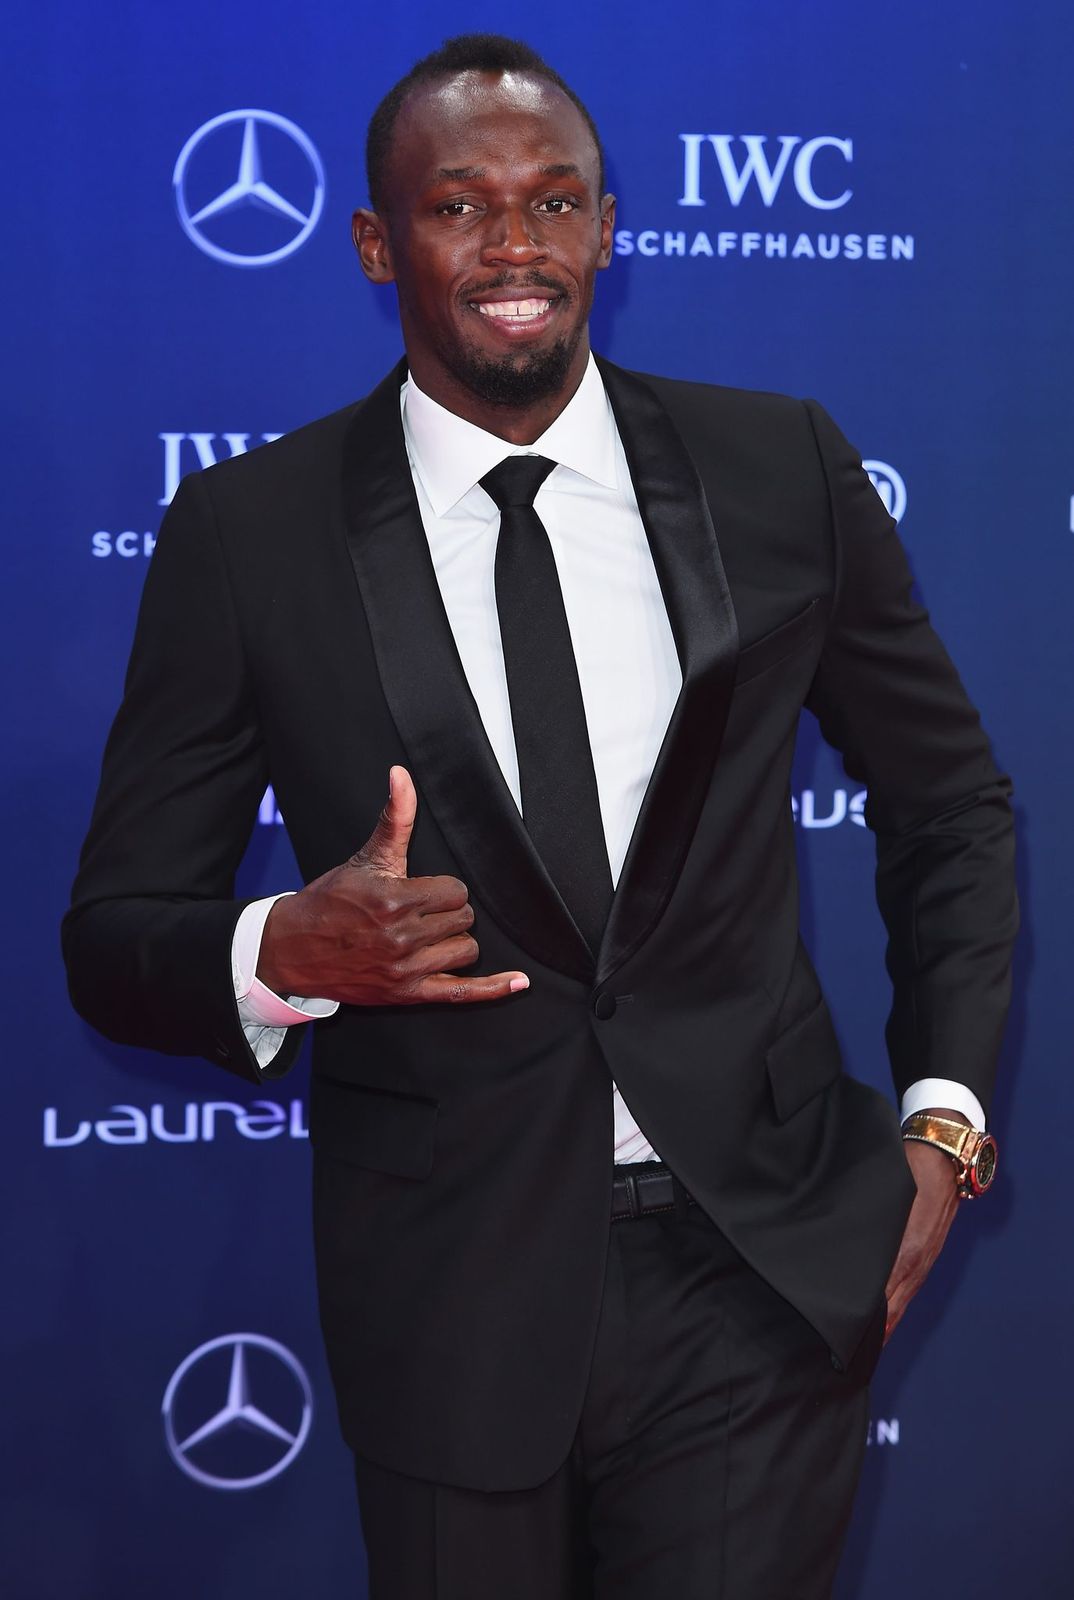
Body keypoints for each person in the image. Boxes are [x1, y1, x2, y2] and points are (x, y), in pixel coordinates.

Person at [63, 33, 1018, 1600]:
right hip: (451, 1297)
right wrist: (285, 947)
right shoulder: (254, 534)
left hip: (759, 1270)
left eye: (555, 200)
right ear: (377, 244)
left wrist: (941, 1124)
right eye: (459, 207)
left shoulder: (775, 466)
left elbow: (949, 807)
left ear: (607, 226)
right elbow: (110, 940)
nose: (516, 246)